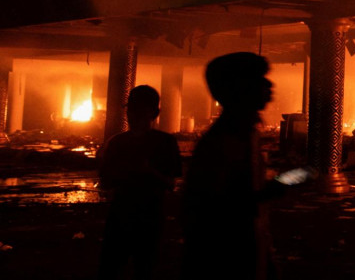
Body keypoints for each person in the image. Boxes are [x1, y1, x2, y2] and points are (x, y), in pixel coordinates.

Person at [182, 52, 284, 280]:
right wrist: (274, 188)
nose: (269, 85)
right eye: (258, 79)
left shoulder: (244, 134)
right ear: (240, 89)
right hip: (224, 258)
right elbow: (220, 208)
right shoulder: (224, 142)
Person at [97, 84, 183, 279]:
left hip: (147, 217)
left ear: (153, 112)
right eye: (131, 109)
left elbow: (170, 183)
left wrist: (147, 171)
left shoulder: (163, 143)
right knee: (117, 267)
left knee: (140, 267)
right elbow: (106, 181)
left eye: (138, 110)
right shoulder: (119, 142)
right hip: (125, 216)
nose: (133, 115)